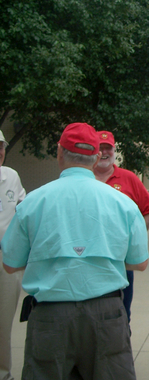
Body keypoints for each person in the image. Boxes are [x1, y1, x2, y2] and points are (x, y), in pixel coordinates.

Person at [1, 122, 149, 380]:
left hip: (50, 317)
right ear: (94, 158)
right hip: (107, 316)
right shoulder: (123, 203)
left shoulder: (33, 202)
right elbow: (140, 262)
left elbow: (10, 264)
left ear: (59, 153)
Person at [93, 130, 149, 321]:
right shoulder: (84, 178)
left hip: (120, 261)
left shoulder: (128, 178)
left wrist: (133, 239)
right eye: (100, 148)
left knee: (120, 313)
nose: (104, 153)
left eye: (108, 148)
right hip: (89, 260)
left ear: (114, 151)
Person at [0, 131, 26, 380]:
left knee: (3, 323)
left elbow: (23, 209)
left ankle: (3, 373)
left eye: (1, 146)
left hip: (6, 259)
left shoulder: (11, 176)